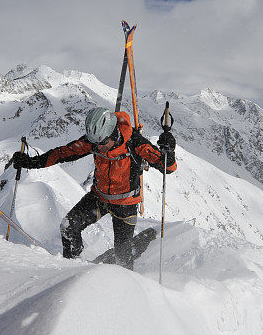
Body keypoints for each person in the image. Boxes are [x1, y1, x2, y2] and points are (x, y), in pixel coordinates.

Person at [10, 107, 177, 269]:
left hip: (126, 203)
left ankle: (125, 288)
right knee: (68, 227)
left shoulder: (135, 143)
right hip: (99, 197)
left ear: (113, 133)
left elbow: (169, 167)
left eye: (103, 142)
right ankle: (73, 269)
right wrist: (31, 163)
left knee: (123, 258)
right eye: (95, 143)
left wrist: (168, 150)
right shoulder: (94, 141)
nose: (99, 147)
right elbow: (62, 153)